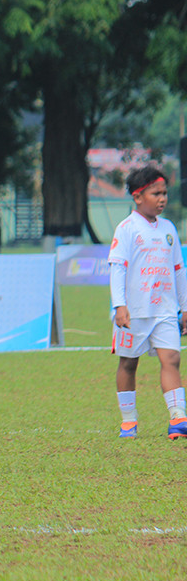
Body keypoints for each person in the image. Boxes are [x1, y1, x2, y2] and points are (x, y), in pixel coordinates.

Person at [108, 165, 187, 441]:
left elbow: (179, 269)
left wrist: (184, 306)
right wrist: (120, 305)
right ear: (138, 196)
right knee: (129, 364)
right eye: (156, 193)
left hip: (164, 311)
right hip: (134, 312)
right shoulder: (127, 228)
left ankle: (178, 418)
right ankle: (129, 421)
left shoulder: (169, 229)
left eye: (165, 193)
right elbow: (117, 267)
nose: (163, 199)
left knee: (172, 359)